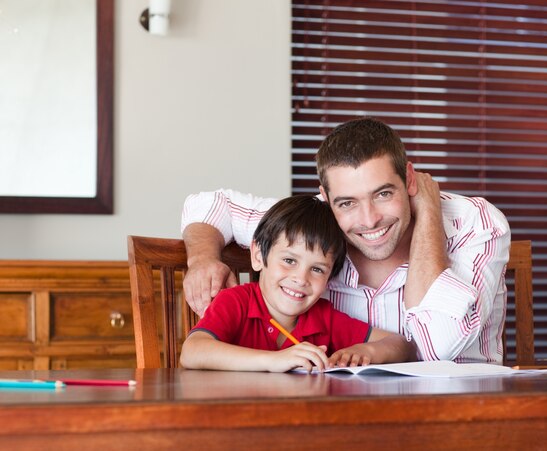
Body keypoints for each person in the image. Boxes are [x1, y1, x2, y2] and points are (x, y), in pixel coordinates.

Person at [181, 117, 511, 364]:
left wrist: (428, 214)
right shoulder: (312, 230)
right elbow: (211, 204)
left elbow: (438, 346)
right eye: (347, 202)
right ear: (326, 198)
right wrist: (202, 259)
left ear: (409, 179)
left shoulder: (473, 223)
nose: (368, 220)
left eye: (383, 194)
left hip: (467, 410)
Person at [179, 195, 416, 372]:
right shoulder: (236, 301)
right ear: (259, 256)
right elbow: (192, 352)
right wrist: (274, 361)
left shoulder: (323, 317)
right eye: (289, 260)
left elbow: (401, 344)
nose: (301, 279)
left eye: (317, 269)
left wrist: (367, 351)